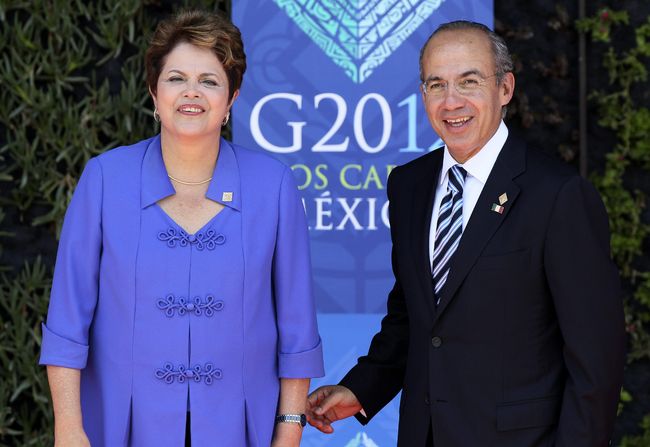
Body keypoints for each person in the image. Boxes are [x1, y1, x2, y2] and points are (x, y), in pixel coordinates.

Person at [307, 20, 625, 446]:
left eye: (469, 82)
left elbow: (596, 360)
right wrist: (360, 389)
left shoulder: (559, 195)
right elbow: (417, 317)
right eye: (436, 85)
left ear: (505, 88)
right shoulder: (408, 185)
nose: (451, 101)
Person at [39, 10, 323, 447]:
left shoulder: (274, 185)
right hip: (121, 426)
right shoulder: (104, 179)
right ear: (154, 92)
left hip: (240, 429)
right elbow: (66, 321)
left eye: (209, 81)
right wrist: (69, 428)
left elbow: (296, 326)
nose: (192, 92)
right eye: (176, 78)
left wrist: (289, 430)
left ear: (231, 99)